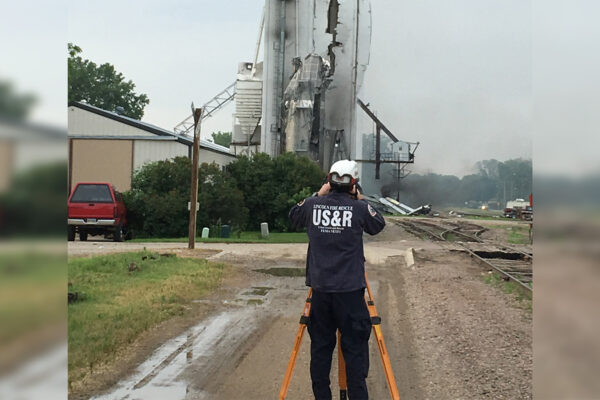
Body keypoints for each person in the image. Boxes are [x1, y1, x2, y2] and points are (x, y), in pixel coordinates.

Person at [289, 159, 386, 400]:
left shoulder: (313, 205)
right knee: (354, 352)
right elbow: (378, 225)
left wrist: (317, 194)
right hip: (350, 293)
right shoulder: (360, 209)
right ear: (354, 184)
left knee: (321, 350)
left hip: (320, 293)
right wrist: (361, 199)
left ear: (329, 182)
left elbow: (293, 217)